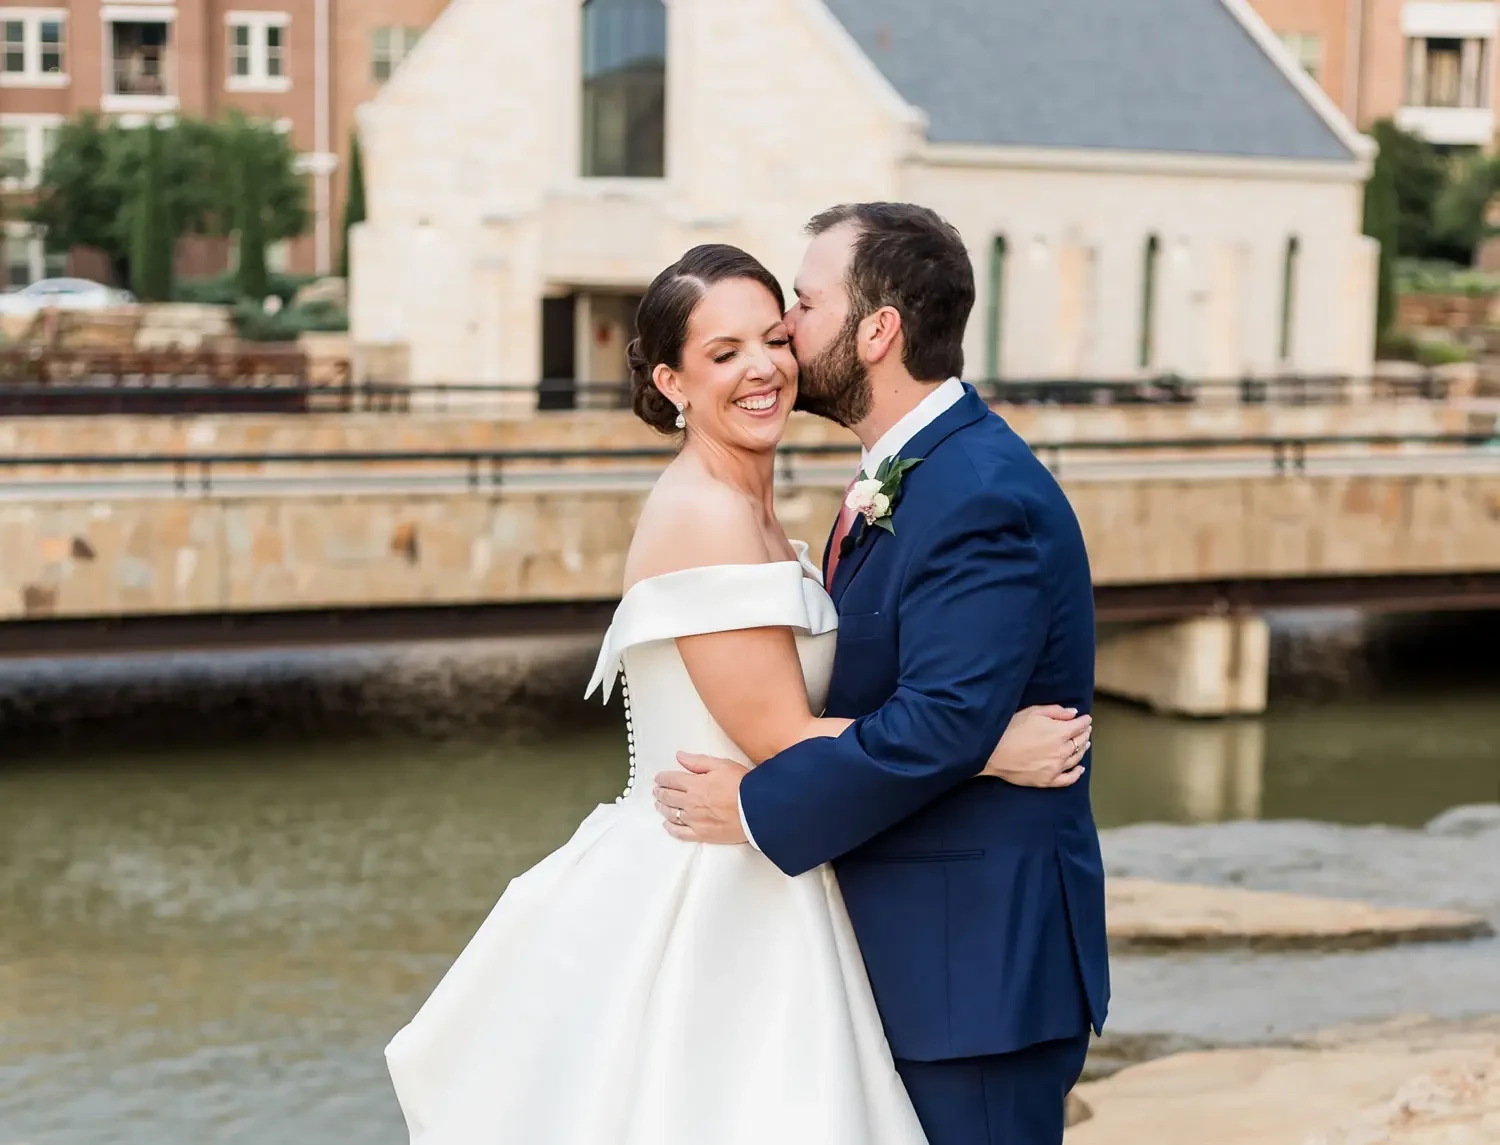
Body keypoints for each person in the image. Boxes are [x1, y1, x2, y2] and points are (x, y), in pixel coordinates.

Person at [383, 240, 1092, 1144]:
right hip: (712, 878)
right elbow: (780, 737)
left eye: (777, 330)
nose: (764, 364)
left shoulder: (781, 502)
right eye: (724, 354)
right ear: (673, 382)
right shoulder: (705, 515)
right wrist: (990, 746)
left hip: (783, 866)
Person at [653, 204, 1110, 1145]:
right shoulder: (908, 474)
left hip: (973, 978)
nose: (786, 334)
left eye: (803, 307)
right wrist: (989, 745)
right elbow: (925, 715)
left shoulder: (974, 490)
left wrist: (752, 806)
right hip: (907, 954)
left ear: (877, 331)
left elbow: (937, 722)